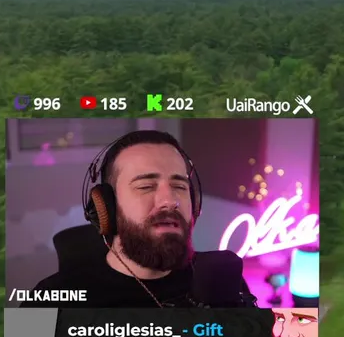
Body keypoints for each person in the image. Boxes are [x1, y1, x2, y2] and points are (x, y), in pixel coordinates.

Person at [23, 129, 258, 309]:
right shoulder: (49, 300)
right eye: (146, 186)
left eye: (179, 186)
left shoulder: (224, 280)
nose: (170, 201)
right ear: (107, 206)